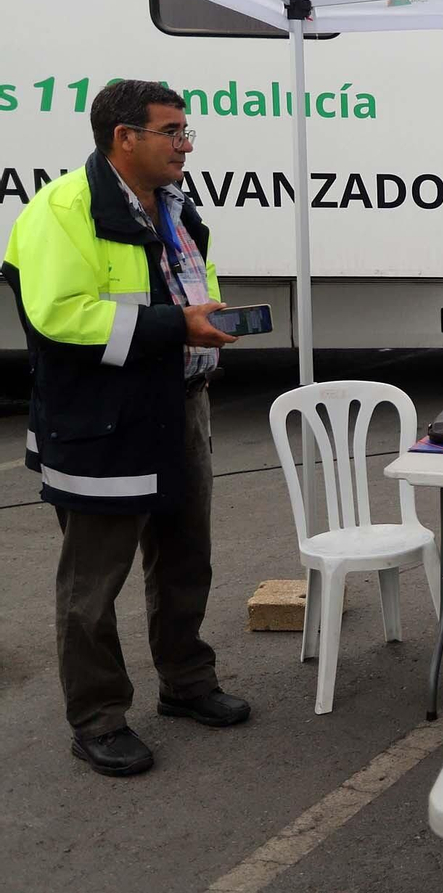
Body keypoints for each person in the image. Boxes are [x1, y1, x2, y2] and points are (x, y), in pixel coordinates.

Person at [1, 80, 248, 778]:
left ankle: (187, 681)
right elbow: (62, 316)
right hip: (102, 424)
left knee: (184, 557)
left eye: (186, 130)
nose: (185, 143)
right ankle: (99, 718)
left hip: (180, 407)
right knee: (92, 586)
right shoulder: (62, 209)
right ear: (124, 137)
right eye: (172, 130)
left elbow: (185, 284)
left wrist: (209, 323)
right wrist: (180, 326)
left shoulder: (174, 204)